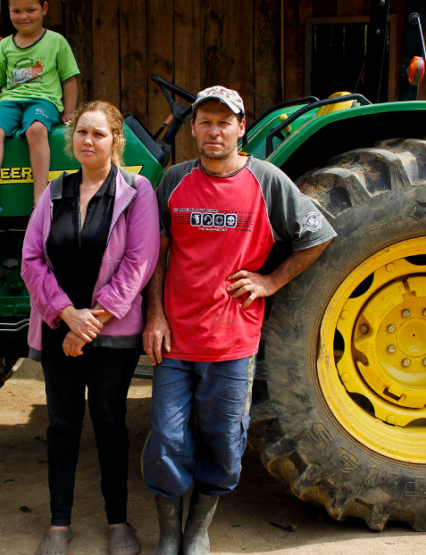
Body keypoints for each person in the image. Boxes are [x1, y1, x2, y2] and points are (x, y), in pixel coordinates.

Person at [141, 86, 336, 555]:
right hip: (175, 341)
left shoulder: (267, 181)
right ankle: (169, 532)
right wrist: (155, 315)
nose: (214, 130)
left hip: (233, 343)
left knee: (224, 441)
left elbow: (319, 234)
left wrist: (271, 280)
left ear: (241, 128)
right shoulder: (174, 180)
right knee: (167, 439)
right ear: (192, 129)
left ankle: (198, 530)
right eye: (205, 122)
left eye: (224, 122)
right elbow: (156, 258)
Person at [22, 100, 159, 555]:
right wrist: (66, 315)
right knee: (62, 424)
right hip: (58, 326)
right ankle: (58, 524)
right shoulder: (55, 191)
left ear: (115, 141)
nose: (88, 141)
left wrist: (93, 320)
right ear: (71, 138)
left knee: (108, 419)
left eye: (99, 134)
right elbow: (31, 260)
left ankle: (118, 520)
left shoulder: (136, 192)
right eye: (82, 132)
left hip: (111, 333)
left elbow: (140, 263)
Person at [0, 0, 79, 223]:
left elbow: (69, 80)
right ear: (9, 12)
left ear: (44, 8)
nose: (24, 16)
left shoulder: (56, 42)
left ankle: (40, 197)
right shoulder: (4, 47)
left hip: (44, 100)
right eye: (16, 11)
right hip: (10, 101)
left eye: (30, 10)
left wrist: (69, 113)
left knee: (36, 129)